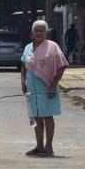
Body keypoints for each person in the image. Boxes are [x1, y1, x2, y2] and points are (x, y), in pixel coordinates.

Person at [21, 20, 69, 157]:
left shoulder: (52, 47)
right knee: (36, 117)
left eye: (41, 30)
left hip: (47, 88)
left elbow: (61, 66)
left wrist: (54, 85)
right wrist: (23, 83)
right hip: (32, 89)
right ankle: (39, 146)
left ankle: (49, 145)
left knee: (47, 116)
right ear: (32, 33)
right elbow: (24, 66)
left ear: (46, 33)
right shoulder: (28, 47)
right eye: (36, 30)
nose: (38, 33)